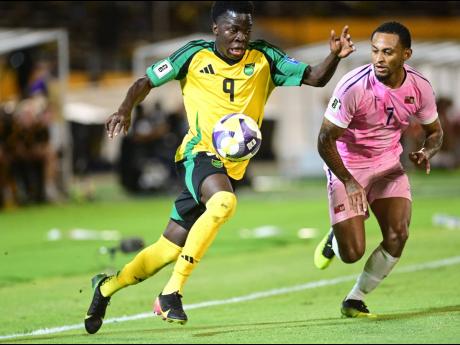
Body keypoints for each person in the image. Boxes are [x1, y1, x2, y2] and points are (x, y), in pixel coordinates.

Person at [84, 1, 355, 334]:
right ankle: (171, 293)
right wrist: (125, 108)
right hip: (198, 154)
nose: (241, 37)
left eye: (246, 29)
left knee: (166, 249)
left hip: (229, 167)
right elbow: (145, 82)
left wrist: (334, 57)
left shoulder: (265, 57)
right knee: (224, 203)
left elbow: (314, 77)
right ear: (215, 29)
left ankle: (106, 286)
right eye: (233, 30)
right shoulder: (194, 55)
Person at [313, 21, 443, 318]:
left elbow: (434, 132)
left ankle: (355, 298)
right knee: (352, 253)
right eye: (374, 51)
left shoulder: (420, 87)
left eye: (387, 52)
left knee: (398, 233)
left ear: (406, 54)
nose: (379, 59)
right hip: (347, 164)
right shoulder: (352, 85)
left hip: (387, 165)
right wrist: (347, 180)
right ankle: (336, 238)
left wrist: (427, 151)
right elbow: (324, 141)